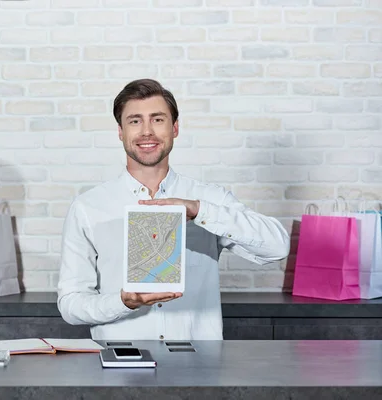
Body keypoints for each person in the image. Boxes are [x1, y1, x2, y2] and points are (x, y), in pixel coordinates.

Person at [56, 78, 290, 341]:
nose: (147, 131)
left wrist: (200, 212)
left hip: (200, 366)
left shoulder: (209, 198)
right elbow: (71, 305)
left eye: (157, 119)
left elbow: (277, 247)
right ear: (120, 131)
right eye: (135, 121)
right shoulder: (88, 207)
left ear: (175, 128)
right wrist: (123, 302)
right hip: (121, 366)